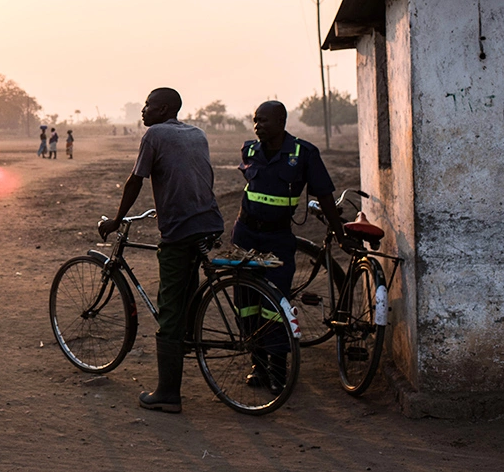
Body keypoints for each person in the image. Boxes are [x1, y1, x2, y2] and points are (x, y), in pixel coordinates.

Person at [98, 88, 224, 413]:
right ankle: (186, 340)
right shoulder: (197, 133)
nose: (143, 110)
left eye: (148, 105)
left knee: (168, 305)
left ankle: (168, 393)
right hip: (209, 222)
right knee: (188, 289)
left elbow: (135, 181)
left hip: (180, 229)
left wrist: (116, 220)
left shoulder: (155, 134)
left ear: (163, 108)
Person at [232, 100, 345, 392]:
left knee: (275, 305)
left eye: (265, 121)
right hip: (245, 236)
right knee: (246, 304)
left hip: (277, 240)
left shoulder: (303, 154)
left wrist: (340, 232)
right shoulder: (250, 150)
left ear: (282, 121)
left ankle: (278, 370)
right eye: (255, 120)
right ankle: (257, 365)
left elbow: (324, 194)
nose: (258, 126)